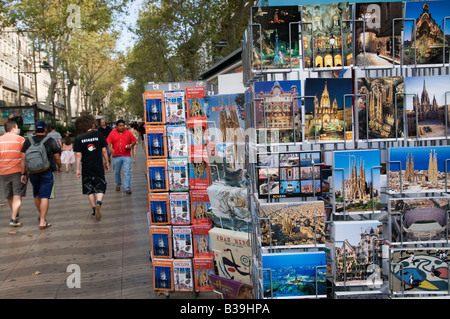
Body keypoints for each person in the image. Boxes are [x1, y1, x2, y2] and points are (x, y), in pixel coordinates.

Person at [21, 121, 62, 229]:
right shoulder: (50, 140)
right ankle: (42, 221)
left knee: (36, 194)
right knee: (44, 196)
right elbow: (57, 157)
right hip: (46, 171)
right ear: (45, 130)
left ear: (35, 130)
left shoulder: (27, 141)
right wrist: (60, 166)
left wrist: (23, 173)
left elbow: (23, 158)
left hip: (32, 172)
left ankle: (41, 215)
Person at [74, 113, 109, 221]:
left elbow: (78, 154)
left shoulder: (79, 138)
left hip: (86, 167)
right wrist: (106, 162)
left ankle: (94, 209)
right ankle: (99, 202)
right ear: (91, 123)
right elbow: (104, 150)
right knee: (100, 186)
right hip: (97, 165)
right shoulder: (98, 135)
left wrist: (77, 168)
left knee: (89, 189)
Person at [0, 120, 26, 227]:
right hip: (17, 171)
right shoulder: (20, 140)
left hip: (3, 171)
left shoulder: (0, 140)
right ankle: (13, 218)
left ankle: (14, 213)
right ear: (14, 128)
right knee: (17, 194)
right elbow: (25, 156)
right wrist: (24, 172)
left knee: (9, 195)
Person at [106, 119, 136, 194]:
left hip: (126, 156)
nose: (122, 127)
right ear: (116, 126)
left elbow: (134, 141)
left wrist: (131, 145)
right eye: (120, 126)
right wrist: (110, 148)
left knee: (127, 172)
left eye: (123, 126)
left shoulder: (129, 133)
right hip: (116, 156)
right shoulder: (112, 133)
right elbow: (108, 142)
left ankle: (127, 188)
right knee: (116, 172)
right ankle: (118, 184)